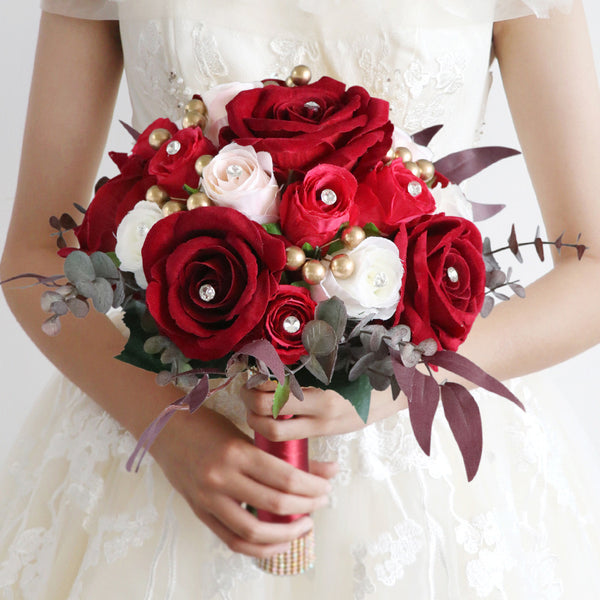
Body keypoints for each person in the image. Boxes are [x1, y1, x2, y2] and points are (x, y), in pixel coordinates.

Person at [1, 0, 599, 597]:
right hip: (166, 444)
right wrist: (170, 435)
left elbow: (592, 268)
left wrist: (403, 385)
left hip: (423, 470)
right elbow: (33, 253)